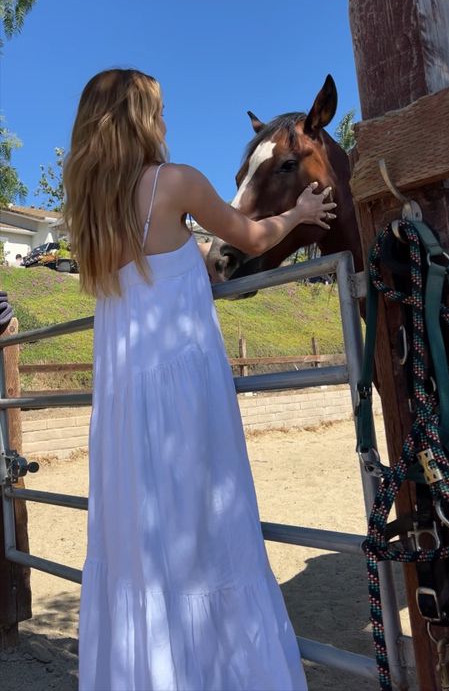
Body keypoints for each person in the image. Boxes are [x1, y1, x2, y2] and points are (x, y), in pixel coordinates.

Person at [63, 69, 337, 691]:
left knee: (139, 552)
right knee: (209, 540)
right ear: (138, 122)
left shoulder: (94, 216)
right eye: (157, 112)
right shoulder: (173, 183)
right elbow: (249, 234)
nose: (165, 124)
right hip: (184, 403)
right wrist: (298, 212)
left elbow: (154, 281)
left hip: (125, 409)